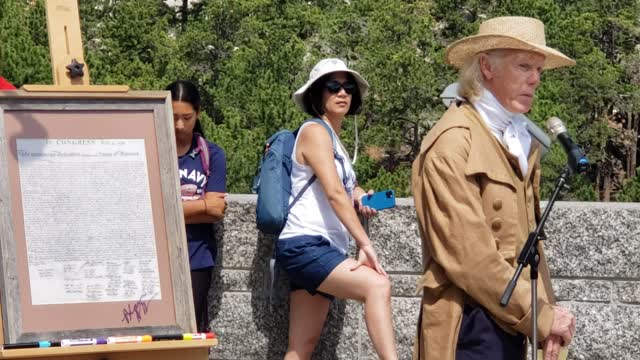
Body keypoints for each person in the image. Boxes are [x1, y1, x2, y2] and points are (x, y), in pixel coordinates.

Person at [411, 17, 577, 360]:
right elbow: (471, 258)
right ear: (486, 66)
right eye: (524, 66)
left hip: (513, 320)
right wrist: (542, 317)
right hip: (468, 327)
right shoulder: (453, 143)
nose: (535, 79)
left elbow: (531, 246)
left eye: (539, 69)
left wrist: (547, 323)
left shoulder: (521, 142)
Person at [277, 58, 398, 360]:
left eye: (348, 87)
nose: (342, 93)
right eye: (333, 87)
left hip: (316, 246)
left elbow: (340, 187)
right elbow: (332, 193)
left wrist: (359, 195)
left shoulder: (332, 137)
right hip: (306, 244)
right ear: (318, 93)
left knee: (301, 346)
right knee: (377, 285)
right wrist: (364, 243)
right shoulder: (315, 131)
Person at [166, 80, 227, 332]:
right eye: (173, 118)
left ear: (198, 113)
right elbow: (147, 210)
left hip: (197, 257)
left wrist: (168, 209)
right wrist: (200, 206)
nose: (180, 125)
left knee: (192, 331)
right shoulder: (151, 150)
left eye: (187, 118)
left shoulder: (211, 154)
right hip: (159, 255)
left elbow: (215, 210)